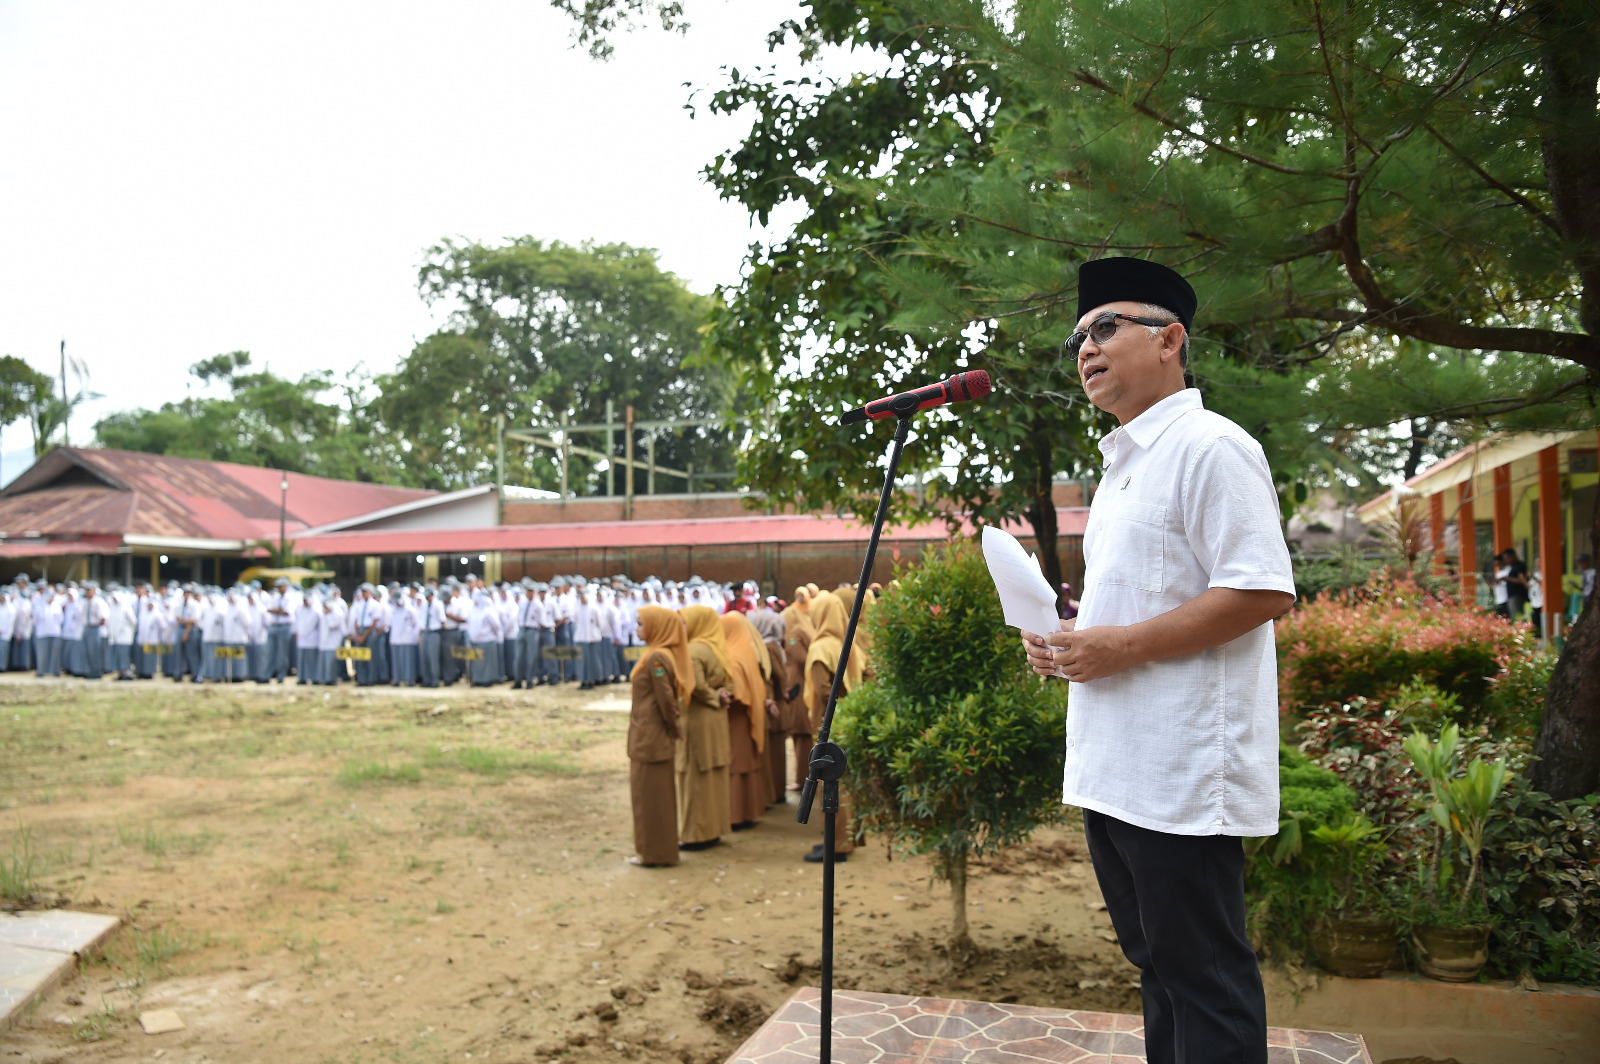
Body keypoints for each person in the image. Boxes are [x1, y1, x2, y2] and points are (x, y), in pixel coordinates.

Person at [1019, 257, 1295, 1064]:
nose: (1085, 348)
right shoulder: (1125, 465)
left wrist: (1118, 647)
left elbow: (1260, 591)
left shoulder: (1212, 447)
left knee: (1204, 977)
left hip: (1180, 772)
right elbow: (1137, 607)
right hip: (1117, 766)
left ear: (1170, 338)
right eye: (1078, 335)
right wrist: (1072, 642)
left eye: (1105, 327)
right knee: (1158, 968)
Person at [800, 590, 861, 863]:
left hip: (829, 724)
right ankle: (841, 839)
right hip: (847, 720)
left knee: (832, 786)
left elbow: (824, 690)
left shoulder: (821, 647)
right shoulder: (848, 644)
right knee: (843, 782)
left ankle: (836, 845)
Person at [628, 605, 689, 866]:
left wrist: (674, 729)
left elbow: (666, 699)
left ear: (657, 626)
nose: (637, 628)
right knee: (650, 795)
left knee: (652, 797)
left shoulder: (656, 659)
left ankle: (655, 853)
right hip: (647, 734)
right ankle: (653, 850)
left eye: (641, 623)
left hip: (650, 738)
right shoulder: (654, 655)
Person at [678, 605, 733, 851]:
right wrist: (720, 695)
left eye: (684, 623)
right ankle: (713, 829)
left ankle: (695, 834)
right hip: (716, 720)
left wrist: (712, 696)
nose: (681, 628)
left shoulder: (692, 651)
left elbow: (696, 686)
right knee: (714, 775)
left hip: (698, 720)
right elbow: (729, 683)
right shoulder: (717, 649)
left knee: (695, 776)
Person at [720, 611, 771, 830]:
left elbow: (736, 693)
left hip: (737, 719)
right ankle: (749, 811)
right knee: (746, 765)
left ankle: (736, 815)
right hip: (748, 718)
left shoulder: (733, 657)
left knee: (737, 767)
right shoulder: (747, 652)